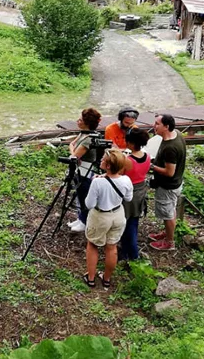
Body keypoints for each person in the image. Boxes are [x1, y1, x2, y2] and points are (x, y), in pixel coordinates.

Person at [83, 149, 133, 290]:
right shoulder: (126, 180)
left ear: (109, 166)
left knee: (92, 244)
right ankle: (106, 279)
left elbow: (89, 204)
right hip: (117, 215)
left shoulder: (98, 182)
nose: (101, 160)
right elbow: (128, 198)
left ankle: (91, 278)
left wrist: (96, 182)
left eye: (103, 159)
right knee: (112, 247)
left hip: (101, 216)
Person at [149, 114, 186, 251]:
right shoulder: (176, 133)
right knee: (170, 210)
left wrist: (151, 167)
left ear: (166, 126)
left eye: (157, 124)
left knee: (168, 213)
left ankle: (169, 242)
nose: (154, 126)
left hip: (168, 186)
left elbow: (169, 172)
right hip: (176, 182)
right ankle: (167, 233)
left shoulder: (170, 147)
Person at [67, 108, 102, 232]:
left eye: (80, 120)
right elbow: (72, 145)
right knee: (78, 193)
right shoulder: (83, 133)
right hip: (78, 169)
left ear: (86, 123)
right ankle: (80, 218)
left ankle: (85, 221)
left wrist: (72, 152)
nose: (78, 121)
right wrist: (72, 150)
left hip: (85, 171)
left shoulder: (88, 139)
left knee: (84, 194)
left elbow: (75, 154)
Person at [120, 129, 151, 261]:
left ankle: (132, 254)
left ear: (132, 144)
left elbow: (119, 175)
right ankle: (129, 251)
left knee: (127, 225)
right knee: (134, 221)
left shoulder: (128, 160)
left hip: (129, 193)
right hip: (141, 191)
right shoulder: (147, 156)